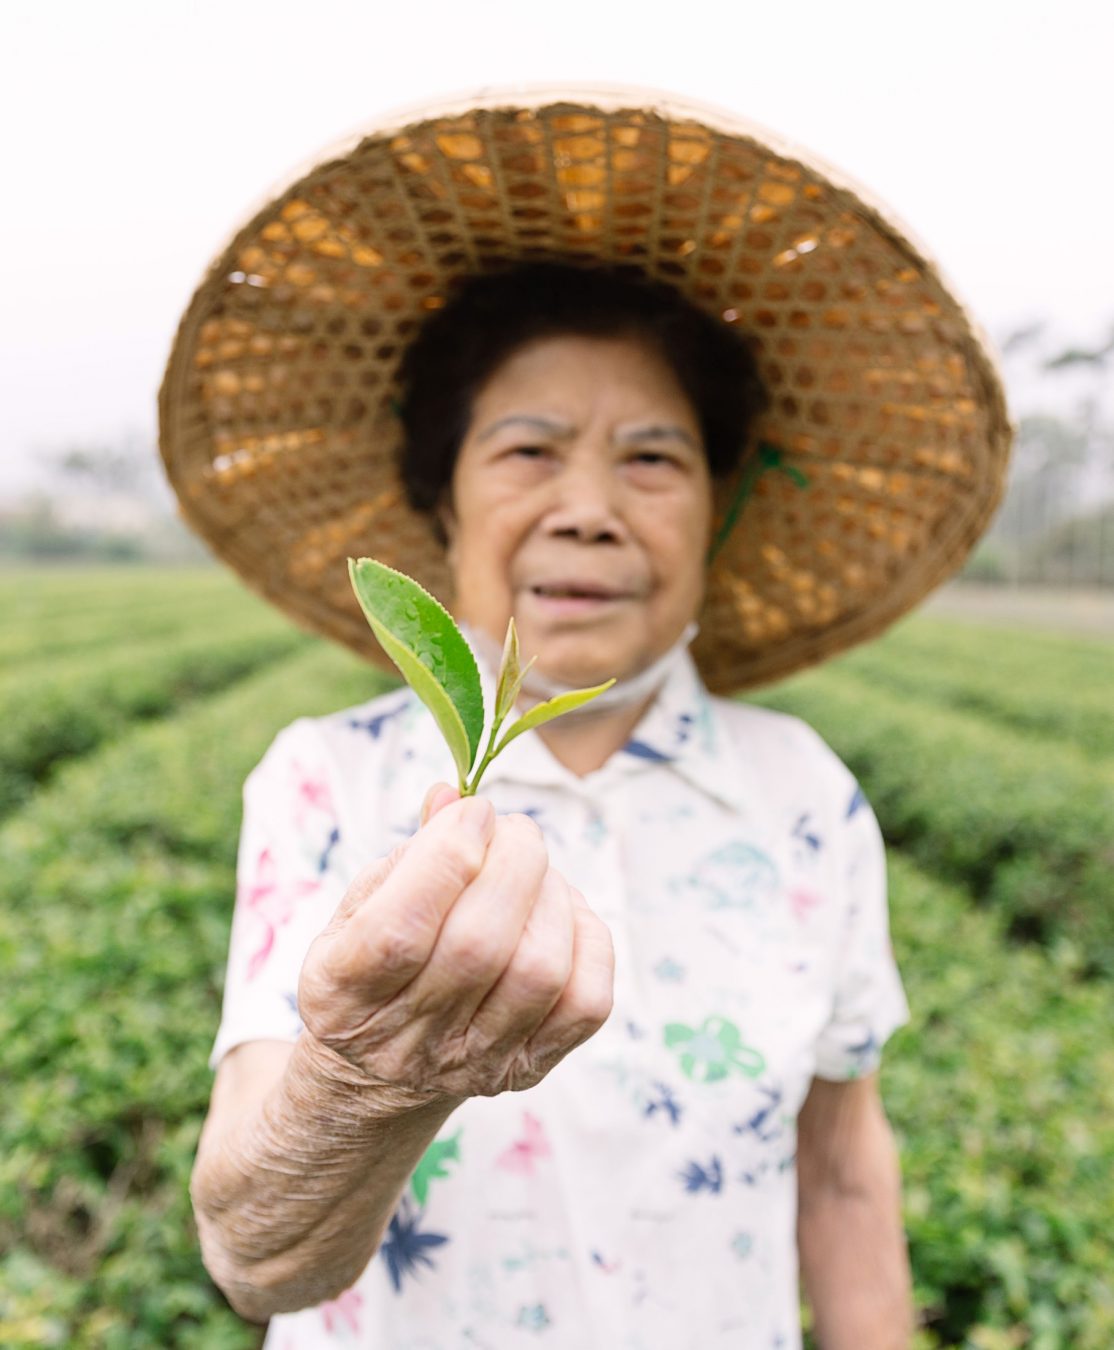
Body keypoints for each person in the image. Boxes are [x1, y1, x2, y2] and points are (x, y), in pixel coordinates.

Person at [160, 88, 1011, 1350]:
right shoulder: (326, 785)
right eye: (526, 450)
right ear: (439, 504)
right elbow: (252, 1255)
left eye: (653, 459)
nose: (589, 509)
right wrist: (371, 1083)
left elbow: (838, 1172)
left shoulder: (805, 797)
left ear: (714, 513)